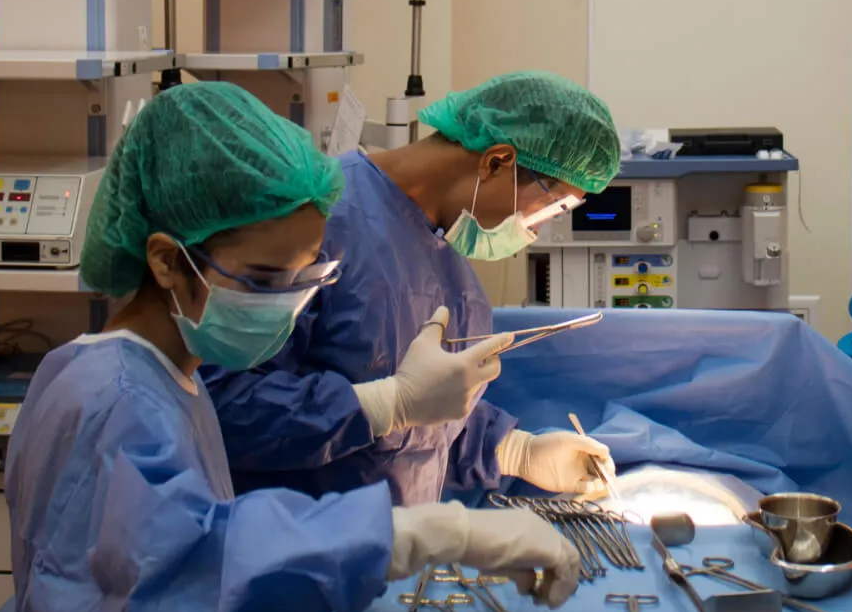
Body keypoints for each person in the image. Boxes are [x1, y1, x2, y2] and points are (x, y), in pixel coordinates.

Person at [0, 82, 581, 612]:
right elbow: (196, 578)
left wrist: (511, 451)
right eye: (267, 279)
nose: (291, 302)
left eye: (309, 278)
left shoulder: (161, 379)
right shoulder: (116, 404)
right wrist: (430, 535)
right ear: (169, 260)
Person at [203, 71, 624, 506]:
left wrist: (514, 451)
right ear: (496, 161)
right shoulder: (317, 226)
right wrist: (387, 404)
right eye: (553, 207)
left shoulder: (446, 257)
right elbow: (219, 408)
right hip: (298, 546)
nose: (536, 228)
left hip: (396, 553)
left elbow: (422, 424)